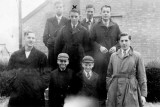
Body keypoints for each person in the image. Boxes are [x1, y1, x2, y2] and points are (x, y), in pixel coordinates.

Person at [7, 30, 48, 107]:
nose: (31, 40)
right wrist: (15, 85)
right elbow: (9, 72)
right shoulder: (15, 55)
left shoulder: (41, 56)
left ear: (35, 40)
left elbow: (46, 75)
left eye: (33, 38)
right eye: (29, 37)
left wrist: (39, 86)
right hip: (18, 93)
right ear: (24, 38)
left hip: (35, 94)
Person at [106, 33, 147, 107]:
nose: (124, 43)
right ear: (119, 42)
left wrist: (143, 95)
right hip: (115, 88)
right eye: (122, 41)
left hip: (130, 88)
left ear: (130, 41)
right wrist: (109, 90)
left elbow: (142, 76)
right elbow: (109, 74)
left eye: (126, 40)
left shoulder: (137, 56)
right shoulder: (113, 56)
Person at [90, 5, 121, 103]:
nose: (106, 13)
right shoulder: (95, 26)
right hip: (99, 59)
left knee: (112, 78)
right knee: (100, 79)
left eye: (107, 12)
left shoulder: (115, 26)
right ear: (100, 13)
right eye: (104, 12)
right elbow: (90, 41)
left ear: (110, 13)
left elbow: (120, 40)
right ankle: (101, 101)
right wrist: (99, 47)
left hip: (112, 58)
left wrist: (115, 47)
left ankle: (112, 101)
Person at [55, 8, 90, 73]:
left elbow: (87, 46)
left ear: (79, 17)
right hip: (67, 55)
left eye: (76, 16)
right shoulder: (63, 29)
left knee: (78, 75)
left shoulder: (84, 30)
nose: (74, 18)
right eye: (72, 16)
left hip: (79, 57)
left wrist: (83, 55)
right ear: (69, 17)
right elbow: (58, 45)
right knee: (67, 74)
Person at [43, 1, 68, 70]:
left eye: (60, 7)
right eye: (57, 7)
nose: (59, 9)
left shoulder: (67, 21)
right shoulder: (49, 20)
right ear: (54, 9)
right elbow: (45, 37)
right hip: (52, 51)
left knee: (63, 71)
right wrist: (50, 46)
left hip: (63, 52)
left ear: (63, 8)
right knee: (52, 71)